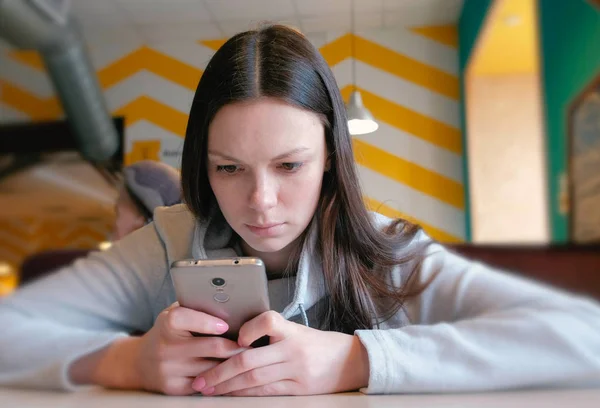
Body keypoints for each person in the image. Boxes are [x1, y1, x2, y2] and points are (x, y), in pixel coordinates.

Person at [1, 25, 600, 397]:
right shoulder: (167, 240)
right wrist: (129, 360)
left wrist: (360, 359)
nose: (260, 203)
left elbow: (586, 336)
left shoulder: (390, 252)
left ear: (331, 161)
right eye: (228, 168)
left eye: (290, 166)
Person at [18, 160, 181, 285]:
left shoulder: (48, 268)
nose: (114, 225)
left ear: (140, 223)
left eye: (118, 213)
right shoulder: (176, 287)